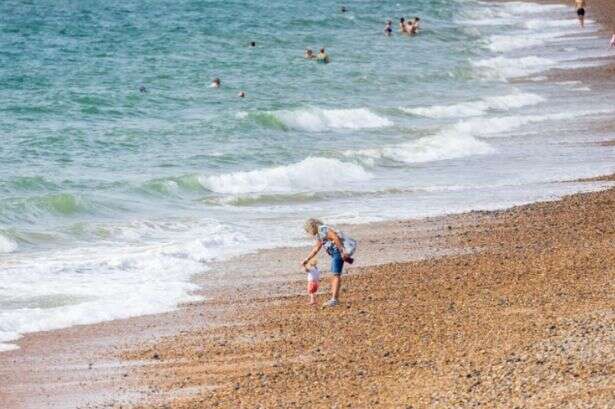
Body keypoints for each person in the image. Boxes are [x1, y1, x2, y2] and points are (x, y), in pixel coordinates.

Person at [302, 219, 356, 308]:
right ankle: (334, 298)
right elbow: (316, 249)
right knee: (335, 274)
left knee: (336, 275)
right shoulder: (319, 235)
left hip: (338, 252)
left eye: (308, 231)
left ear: (311, 227)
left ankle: (334, 300)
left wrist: (342, 251)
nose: (309, 233)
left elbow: (335, 237)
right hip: (336, 253)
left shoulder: (323, 229)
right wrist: (307, 259)